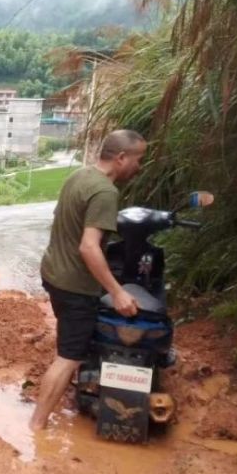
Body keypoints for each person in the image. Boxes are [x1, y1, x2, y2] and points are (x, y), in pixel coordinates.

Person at [28, 129, 147, 430]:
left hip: (53, 273)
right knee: (68, 356)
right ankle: (36, 427)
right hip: (75, 285)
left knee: (73, 345)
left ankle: (79, 393)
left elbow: (64, 220)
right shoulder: (106, 192)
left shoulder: (79, 177)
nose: (140, 166)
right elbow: (89, 246)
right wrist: (117, 292)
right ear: (121, 157)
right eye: (138, 158)